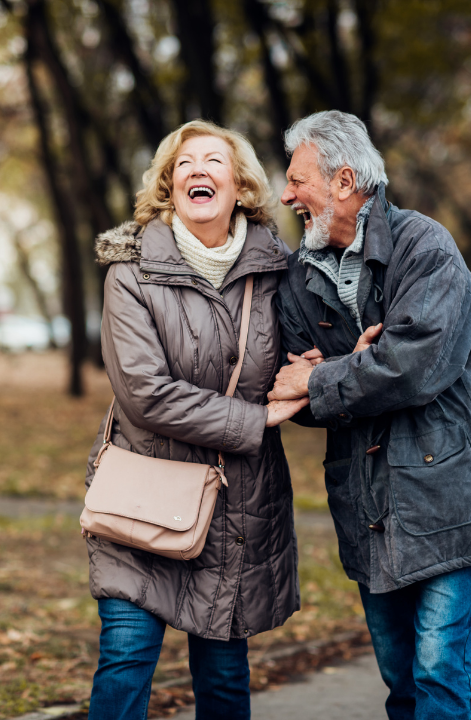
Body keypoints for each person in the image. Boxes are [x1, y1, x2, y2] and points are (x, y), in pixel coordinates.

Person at [267, 110, 471, 720]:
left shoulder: (425, 247)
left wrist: (328, 375)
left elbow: (414, 369)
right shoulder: (301, 278)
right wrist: (342, 375)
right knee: (400, 683)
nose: (285, 194)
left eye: (297, 178)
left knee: (438, 675)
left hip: (447, 501)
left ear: (344, 182)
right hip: (368, 510)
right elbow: (294, 392)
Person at [85, 120, 307, 720]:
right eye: (183, 164)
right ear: (168, 186)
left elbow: (304, 360)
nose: (197, 170)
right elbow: (145, 394)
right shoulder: (130, 272)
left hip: (235, 504)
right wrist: (254, 420)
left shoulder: (277, 272)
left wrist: (331, 369)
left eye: (214, 161)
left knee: (225, 675)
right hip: (144, 498)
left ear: (240, 187)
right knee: (127, 659)